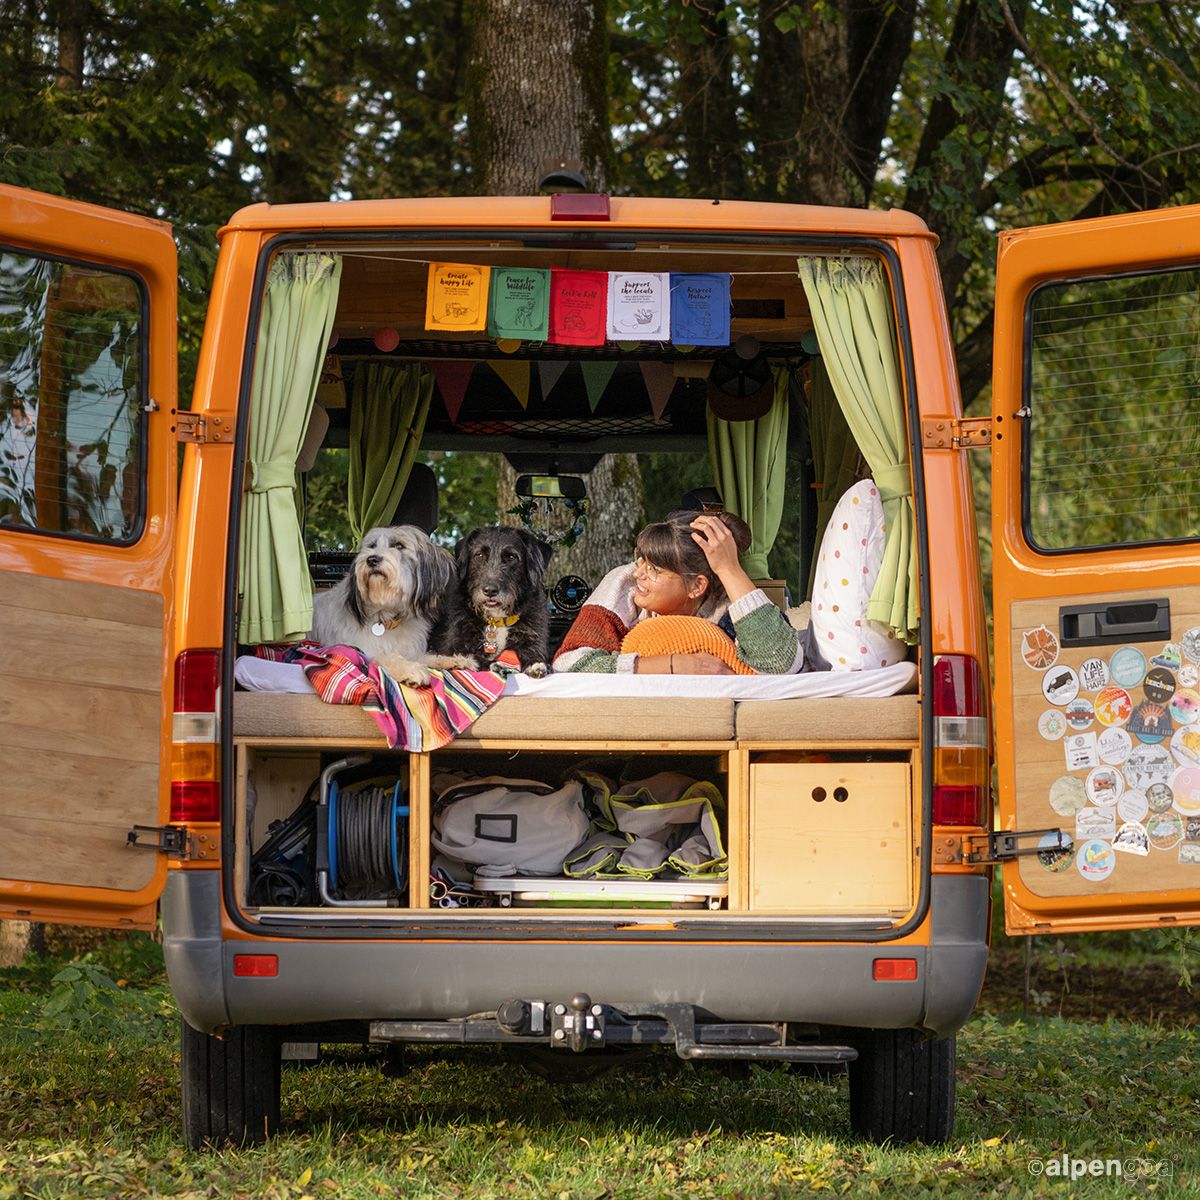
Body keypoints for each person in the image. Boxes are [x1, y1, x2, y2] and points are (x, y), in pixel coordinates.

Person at [552, 509, 805, 674]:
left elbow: (781, 665)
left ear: (697, 586)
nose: (639, 573)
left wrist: (730, 570)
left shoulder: (727, 606)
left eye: (654, 569)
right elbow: (568, 664)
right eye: (641, 560)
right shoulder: (625, 582)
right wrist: (677, 665)